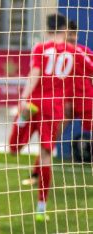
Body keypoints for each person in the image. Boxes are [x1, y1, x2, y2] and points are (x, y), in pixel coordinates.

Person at [8, 13, 93, 221]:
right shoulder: (75, 52)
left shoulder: (40, 47)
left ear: (47, 29)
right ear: (65, 30)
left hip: (34, 101)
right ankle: (41, 209)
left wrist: (23, 98)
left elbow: (34, 74)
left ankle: (21, 120)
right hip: (54, 107)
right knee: (47, 156)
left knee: (14, 149)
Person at [22, 20, 93, 186]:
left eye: (75, 34)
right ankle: (36, 174)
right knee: (50, 138)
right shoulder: (53, 53)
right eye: (69, 33)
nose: (72, 37)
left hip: (84, 102)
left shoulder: (82, 52)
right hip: (65, 105)